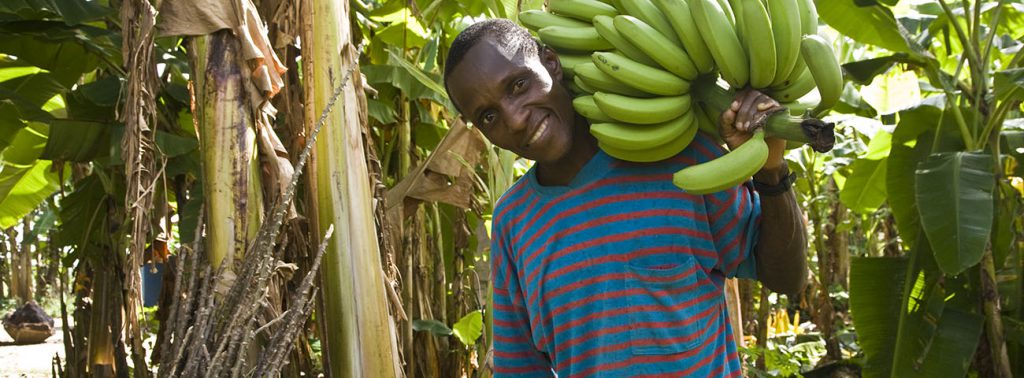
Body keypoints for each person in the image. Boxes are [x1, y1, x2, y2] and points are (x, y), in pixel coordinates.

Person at [443, 18, 808, 377]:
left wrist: (771, 170)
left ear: (551, 63)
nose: (515, 120)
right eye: (489, 116)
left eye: (519, 85)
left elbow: (786, 278)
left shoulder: (684, 160)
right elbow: (521, 367)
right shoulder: (514, 222)